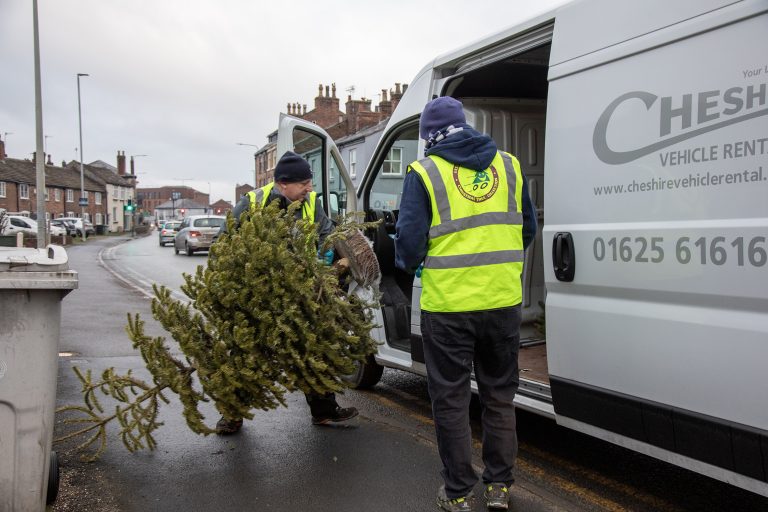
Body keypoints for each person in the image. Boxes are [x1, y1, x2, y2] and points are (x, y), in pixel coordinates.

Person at [394, 97, 537, 511]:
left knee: (452, 400)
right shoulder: (508, 166)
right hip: (502, 302)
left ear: (429, 136)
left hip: (449, 306)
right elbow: (526, 228)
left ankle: (457, 493)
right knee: (499, 396)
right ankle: (498, 487)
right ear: (465, 125)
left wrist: (415, 262)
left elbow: (408, 244)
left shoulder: (424, 172)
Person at [215, 150, 359, 434]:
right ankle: (232, 415)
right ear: (283, 184)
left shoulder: (311, 204)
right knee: (245, 354)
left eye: (310, 182)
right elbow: (223, 243)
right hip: (256, 295)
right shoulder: (252, 203)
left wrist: (332, 263)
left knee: (312, 348)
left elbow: (325, 237)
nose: (309, 188)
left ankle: (324, 412)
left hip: (300, 290)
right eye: (303, 183)